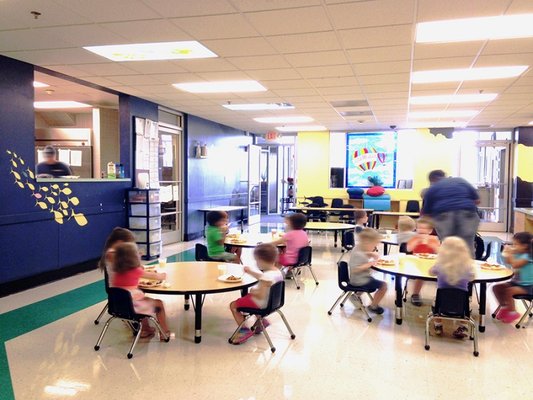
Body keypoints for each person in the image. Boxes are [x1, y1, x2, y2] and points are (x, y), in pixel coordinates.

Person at [97, 227, 155, 338]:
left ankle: (141, 324)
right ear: (120, 243)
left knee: (140, 293)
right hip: (121, 291)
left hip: (120, 289)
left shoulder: (113, 253)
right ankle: (143, 327)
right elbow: (129, 269)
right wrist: (136, 259)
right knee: (141, 297)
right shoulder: (112, 254)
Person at [112, 242, 170, 340]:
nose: (140, 254)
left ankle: (145, 330)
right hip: (134, 307)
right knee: (158, 304)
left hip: (119, 306)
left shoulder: (117, 272)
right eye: (137, 253)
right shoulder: (135, 271)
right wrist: (163, 275)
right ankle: (165, 333)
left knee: (144, 299)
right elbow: (156, 276)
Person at [229, 244, 283, 344]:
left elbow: (260, 295)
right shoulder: (276, 272)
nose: (256, 263)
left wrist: (253, 291)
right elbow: (262, 277)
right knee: (249, 299)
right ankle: (261, 322)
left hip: (261, 303)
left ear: (261, 260)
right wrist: (250, 272)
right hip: (273, 303)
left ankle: (244, 331)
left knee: (233, 305)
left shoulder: (266, 277)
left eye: (257, 260)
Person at [421, 169, 480, 255]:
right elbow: (477, 201)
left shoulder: (433, 188)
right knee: (467, 246)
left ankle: (448, 266)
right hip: (468, 214)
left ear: (431, 180)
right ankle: (468, 267)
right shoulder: (460, 180)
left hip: (444, 216)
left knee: (447, 245)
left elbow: (426, 214)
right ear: (444, 176)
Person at [428, 237, 475, 339]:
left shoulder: (440, 265)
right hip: (461, 304)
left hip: (441, 303)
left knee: (435, 302)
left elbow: (430, 272)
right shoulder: (468, 266)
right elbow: (472, 277)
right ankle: (463, 327)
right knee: (468, 304)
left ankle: (438, 325)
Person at [493, 232, 533, 324]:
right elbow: (508, 261)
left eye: (516, 244)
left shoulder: (528, 257)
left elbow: (515, 265)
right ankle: (505, 308)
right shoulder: (518, 253)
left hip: (528, 286)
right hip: (516, 283)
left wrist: (510, 253)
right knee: (496, 288)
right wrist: (506, 253)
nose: (513, 246)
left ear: (525, 246)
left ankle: (513, 312)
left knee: (509, 291)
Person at [348, 228, 387, 314]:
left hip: (358, 278)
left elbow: (362, 254)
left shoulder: (357, 248)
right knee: (384, 286)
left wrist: (370, 253)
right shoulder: (359, 253)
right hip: (360, 281)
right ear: (367, 243)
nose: (374, 248)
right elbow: (355, 269)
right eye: (374, 246)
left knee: (372, 279)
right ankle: (374, 306)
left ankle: (356, 295)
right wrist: (370, 264)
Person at [407, 217, 441, 306]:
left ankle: (441, 296)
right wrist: (417, 241)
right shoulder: (414, 237)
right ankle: (415, 294)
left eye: (424, 228)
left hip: (431, 261)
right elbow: (408, 248)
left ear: (430, 231)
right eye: (419, 228)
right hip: (417, 261)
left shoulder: (434, 238)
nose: (421, 230)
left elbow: (439, 251)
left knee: (442, 273)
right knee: (420, 276)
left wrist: (430, 243)